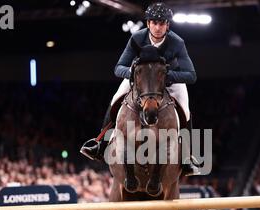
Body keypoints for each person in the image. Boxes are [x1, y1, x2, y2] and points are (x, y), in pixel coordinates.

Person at [80, 2, 200, 176]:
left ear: (168, 25)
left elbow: (191, 75)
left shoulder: (177, 42)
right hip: (140, 81)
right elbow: (118, 67)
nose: (158, 27)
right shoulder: (137, 38)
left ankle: (187, 157)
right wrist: (133, 74)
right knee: (115, 100)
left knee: (186, 111)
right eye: (154, 23)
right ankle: (100, 144)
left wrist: (168, 76)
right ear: (148, 23)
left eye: (162, 23)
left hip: (170, 81)